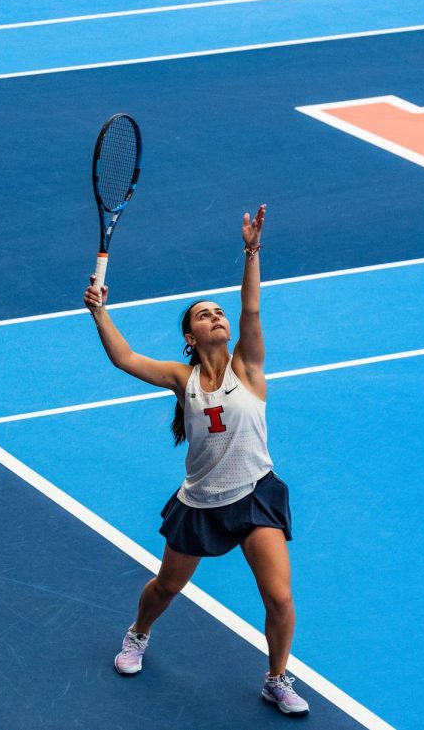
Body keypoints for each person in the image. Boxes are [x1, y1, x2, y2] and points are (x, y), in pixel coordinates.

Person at [82, 204, 309, 716]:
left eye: (218, 312)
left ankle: (277, 677)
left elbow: (251, 310)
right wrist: (99, 311)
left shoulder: (248, 368)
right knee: (166, 587)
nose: (218, 316)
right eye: (205, 314)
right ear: (190, 337)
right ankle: (139, 634)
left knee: (279, 597)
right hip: (202, 504)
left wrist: (251, 251)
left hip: (254, 496)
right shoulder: (181, 380)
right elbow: (125, 359)